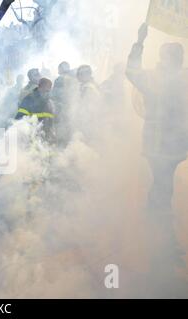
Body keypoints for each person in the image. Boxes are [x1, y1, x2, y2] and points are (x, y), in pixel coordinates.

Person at [126, 23, 188, 285]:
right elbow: (131, 71)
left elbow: (132, 71)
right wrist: (138, 43)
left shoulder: (177, 78)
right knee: (162, 189)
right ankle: (160, 243)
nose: (177, 60)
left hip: (169, 146)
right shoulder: (166, 78)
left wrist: (140, 42)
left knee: (163, 188)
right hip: (162, 146)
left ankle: (160, 237)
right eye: (175, 56)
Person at [16, 78, 56, 142]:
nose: (49, 91)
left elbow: (51, 120)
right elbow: (20, 117)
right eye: (47, 89)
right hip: (32, 135)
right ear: (41, 87)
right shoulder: (29, 99)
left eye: (50, 89)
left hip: (46, 136)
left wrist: (52, 132)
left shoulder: (49, 102)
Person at [52, 62, 78, 147]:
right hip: (73, 110)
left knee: (61, 135)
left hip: (61, 111)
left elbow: (54, 95)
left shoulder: (60, 79)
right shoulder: (75, 79)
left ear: (61, 69)